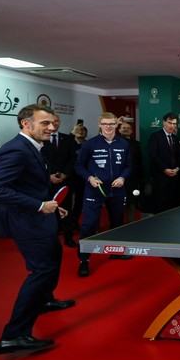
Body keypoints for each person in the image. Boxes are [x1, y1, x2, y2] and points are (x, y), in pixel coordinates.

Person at [0, 104, 75, 355]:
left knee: (54, 256)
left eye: (53, 123)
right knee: (43, 269)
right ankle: (13, 336)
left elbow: (29, 185)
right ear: (26, 124)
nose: (52, 127)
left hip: (40, 216)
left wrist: (52, 206)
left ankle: (45, 299)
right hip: (27, 220)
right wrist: (39, 205)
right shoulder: (15, 149)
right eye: (45, 123)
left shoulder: (34, 146)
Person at [73, 113, 132, 277]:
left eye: (111, 124)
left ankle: (115, 252)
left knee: (117, 223)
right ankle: (84, 260)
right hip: (95, 190)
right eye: (105, 124)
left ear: (116, 125)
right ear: (99, 124)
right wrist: (90, 178)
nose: (108, 127)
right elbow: (79, 166)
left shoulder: (123, 144)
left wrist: (122, 178)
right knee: (89, 225)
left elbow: (128, 166)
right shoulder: (90, 144)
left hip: (117, 191)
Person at [41, 113, 77, 244]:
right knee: (49, 211)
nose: (54, 123)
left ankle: (68, 237)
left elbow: (73, 159)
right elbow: (38, 161)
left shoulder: (68, 139)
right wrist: (48, 176)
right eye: (51, 121)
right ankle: (51, 237)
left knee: (67, 209)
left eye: (56, 121)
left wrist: (64, 174)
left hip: (65, 181)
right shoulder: (40, 139)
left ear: (60, 122)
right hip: (46, 182)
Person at [148, 112, 180, 213]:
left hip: (174, 175)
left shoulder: (176, 139)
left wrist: (177, 168)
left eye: (174, 124)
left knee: (172, 201)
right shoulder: (155, 136)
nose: (172, 126)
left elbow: (179, 156)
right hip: (160, 175)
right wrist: (164, 169)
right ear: (164, 122)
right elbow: (153, 155)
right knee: (160, 202)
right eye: (170, 123)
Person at [63, 123, 87, 247]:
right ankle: (65, 226)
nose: (81, 131)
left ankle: (74, 221)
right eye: (79, 130)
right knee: (67, 203)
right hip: (69, 177)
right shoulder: (69, 143)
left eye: (83, 130)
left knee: (80, 202)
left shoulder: (88, 144)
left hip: (83, 178)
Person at [118, 120, 143, 221]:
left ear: (132, 131)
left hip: (132, 178)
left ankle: (130, 223)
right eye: (124, 128)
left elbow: (139, 161)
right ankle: (117, 224)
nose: (126, 129)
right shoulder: (114, 142)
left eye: (128, 128)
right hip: (118, 177)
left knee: (131, 201)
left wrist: (140, 178)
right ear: (119, 130)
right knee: (118, 202)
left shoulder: (136, 144)